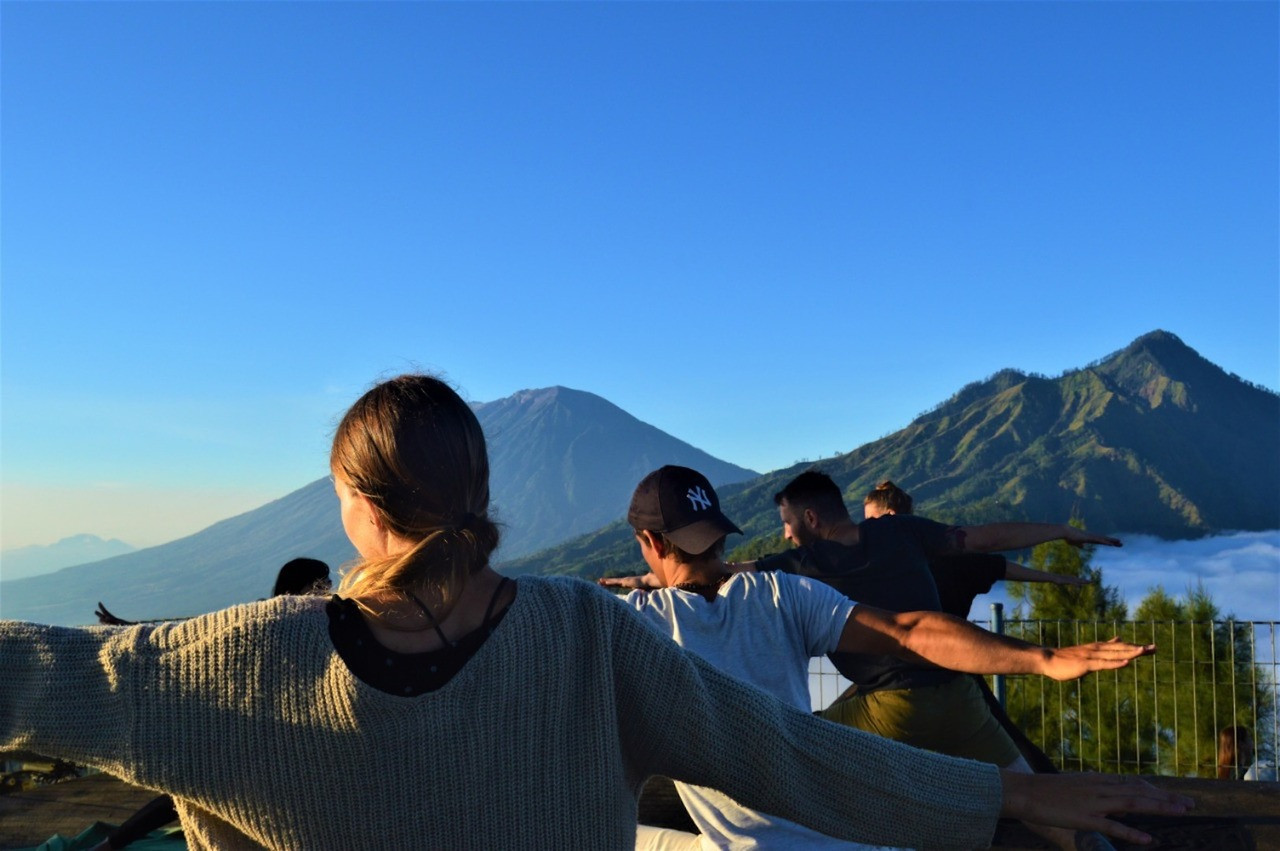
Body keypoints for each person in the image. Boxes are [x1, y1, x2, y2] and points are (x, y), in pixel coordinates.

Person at [1, 375, 1192, 849]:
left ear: (354, 506)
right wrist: (1013, 790)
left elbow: (30, 670)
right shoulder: (583, 634)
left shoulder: (230, 661)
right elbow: (791, 753)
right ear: (481, 496)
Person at [615, 465, 1160, 851]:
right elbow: (911, 628)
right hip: (944, 711)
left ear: (651, 542)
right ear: (717, 534)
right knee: (1035, 801)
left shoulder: (633, 624)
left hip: (837, 762)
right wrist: (1043, 658)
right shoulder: (785, 593)